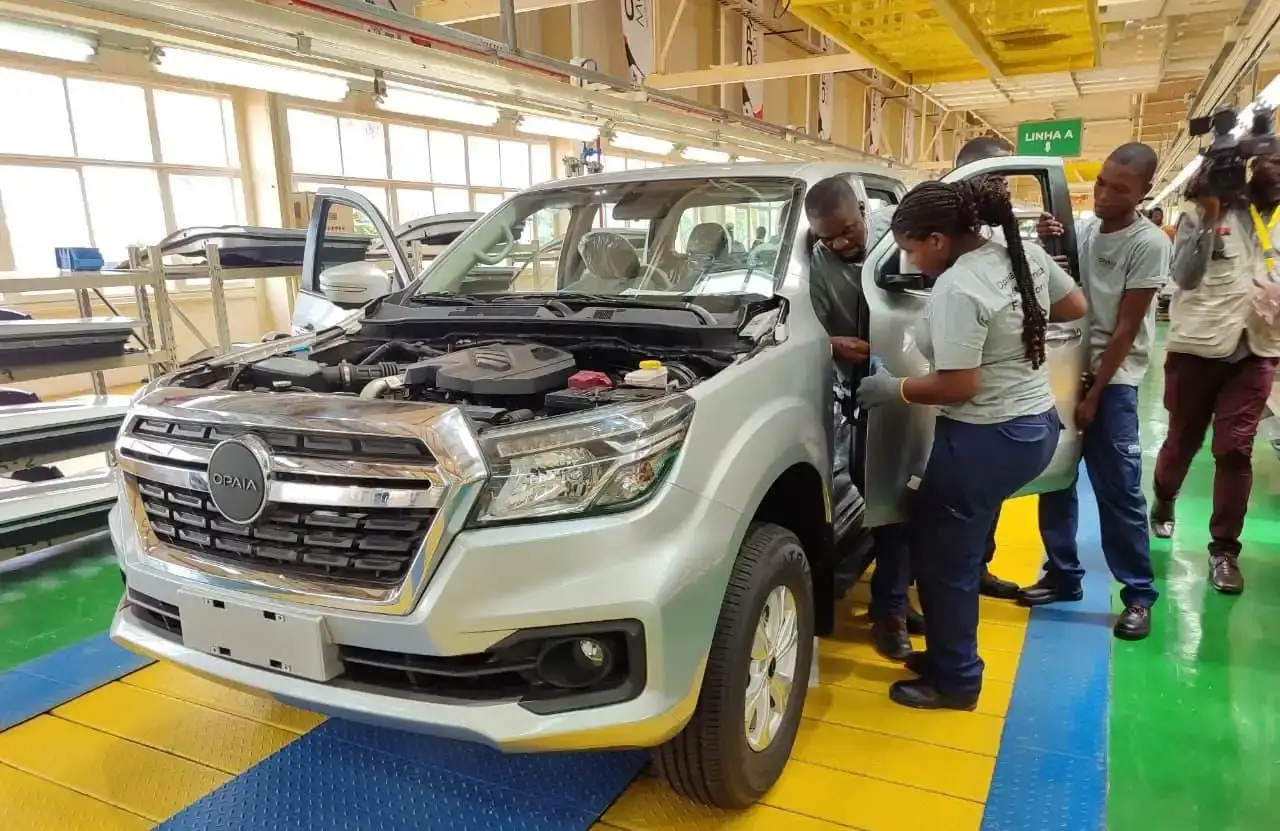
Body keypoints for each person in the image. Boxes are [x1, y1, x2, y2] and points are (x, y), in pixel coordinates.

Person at [856, 178, 1087, 709]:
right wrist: (1017, 331)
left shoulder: (958, 287)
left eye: (912, 249)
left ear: (937, 239)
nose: (913, 262)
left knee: (945, 566)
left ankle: (957, 680)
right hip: (1034, 424)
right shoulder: (1022, 254)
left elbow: (959, 385)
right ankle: (945, 655)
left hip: (985, 437)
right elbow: (1073, 305)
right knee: (953, 546)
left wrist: (895, 389)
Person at [1018, 143, 1169, 641]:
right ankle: (1063, 574)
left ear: (1144, 192)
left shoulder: (1148, 243)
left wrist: (1095, 393)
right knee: (1055, 477)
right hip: (1070, 368)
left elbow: (1126, 327)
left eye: (1119, 189)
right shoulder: (1083, 230)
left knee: (1119, 489)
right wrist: (1051, 244)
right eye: (1101, 183)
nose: (1104, 195)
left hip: (1114, 379)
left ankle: (1138, 594)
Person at [866, 134, 1025, 601]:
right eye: (994, 177)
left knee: (970, 503)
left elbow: (960, 383)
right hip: (930, 362)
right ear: (967, 173)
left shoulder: (999, 235)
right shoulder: (918, 217)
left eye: (1004, 180)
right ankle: (916, 587)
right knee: (923, 488)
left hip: (965, 393)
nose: (1000, 188)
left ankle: (971, 571)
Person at [1149, 154, 1280, 594]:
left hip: (1256, 350)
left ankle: (1224, 550)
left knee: (1235, 449)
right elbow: (1184, 276)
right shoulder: (1201, 215)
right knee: (1182, 441)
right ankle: (1165, 495)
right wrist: (1207, 219)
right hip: (1197, 348)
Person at [803, 176, 921, 660]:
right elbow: (808, 327)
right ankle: (890, 608)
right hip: (864, 397)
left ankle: (894, 601)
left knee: (913, 502)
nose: (840, 244)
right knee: (888, 504)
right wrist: (833, 344)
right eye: (828, 237)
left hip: (919, 385)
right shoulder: (819, 263)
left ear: (862, 208)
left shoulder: (900, 236)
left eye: (848, 230)